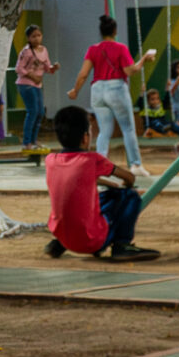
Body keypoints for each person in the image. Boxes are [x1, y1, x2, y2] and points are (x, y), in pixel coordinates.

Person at [39, 104, 157, 262]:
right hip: (92, 242)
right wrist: (124, 188)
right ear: (85, 137)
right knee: (129, 196)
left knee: (96, 198)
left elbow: (76, 179)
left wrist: (111, 186)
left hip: (62, 235)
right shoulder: (92, 160)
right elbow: (129, 177)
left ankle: (59, 244)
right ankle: (122, 245)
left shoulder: (50, 160)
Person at [63, 13, 156, 177]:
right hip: (116, 88)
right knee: (128, 129)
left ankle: (99, 165)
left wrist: (75, 90)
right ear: (115, 31)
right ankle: (135, 164)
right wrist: (144, 59)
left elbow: (84, 73)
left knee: (104, 131)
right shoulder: (121, 48)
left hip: (97, 90)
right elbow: (130, 70)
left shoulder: (93, 49)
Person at [14, 24, 56, 150]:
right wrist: (32, 76)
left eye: (39, 35)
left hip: (37, 85)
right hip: (26, 84)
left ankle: (34, 140)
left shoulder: (44, 50)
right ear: (28, 38)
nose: (37, 39)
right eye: (33, 36)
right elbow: (19, 68)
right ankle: (27, 142)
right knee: (32, 111)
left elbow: (47, 67)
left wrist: (54, 68)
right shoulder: (26, 52)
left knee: (40, 112)